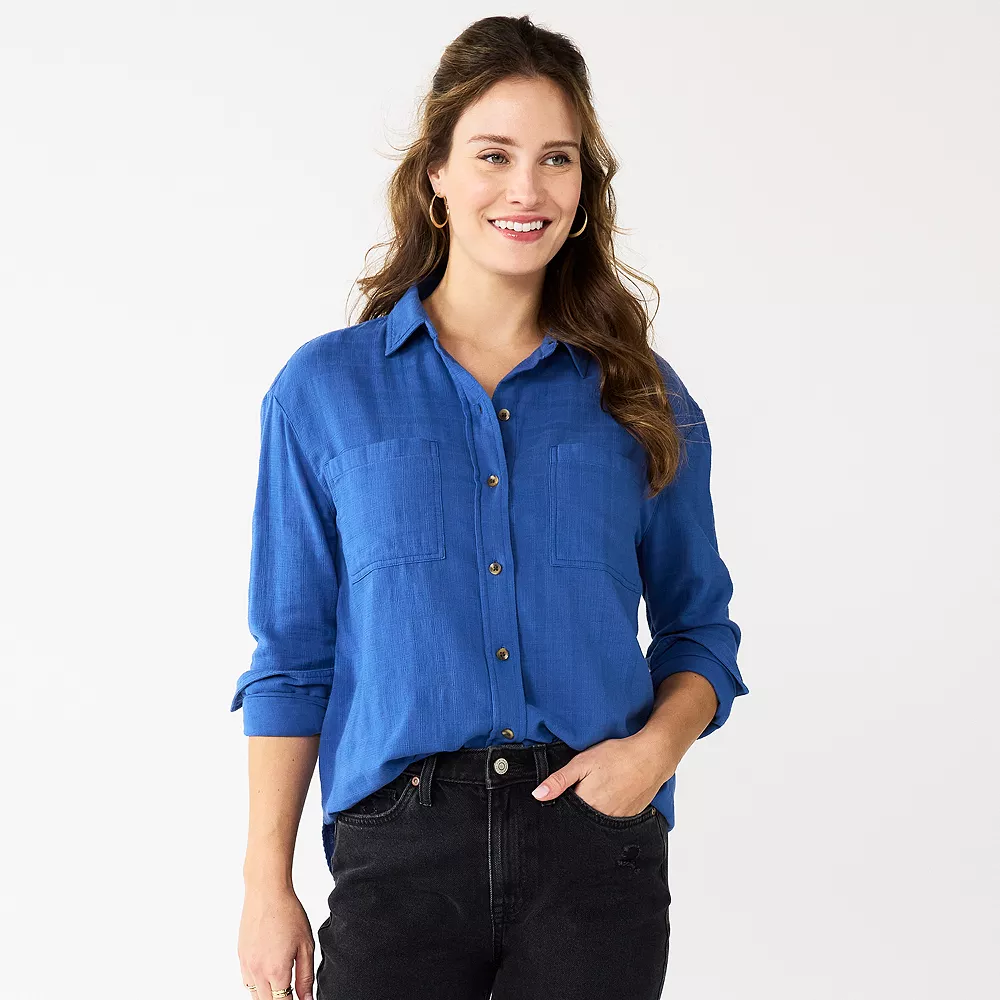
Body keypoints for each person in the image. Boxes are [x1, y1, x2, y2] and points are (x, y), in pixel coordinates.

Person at [232, 14, 750, 1000]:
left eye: (557, 158)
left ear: (584, 187)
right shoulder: (324, 392)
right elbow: (292, 657)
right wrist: (267, 883)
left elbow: (700, 632)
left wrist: (651, 756)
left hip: (594, 848)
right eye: (493, 155)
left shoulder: (640, 396)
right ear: (435, 173)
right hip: (399, 849)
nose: (527, 189)